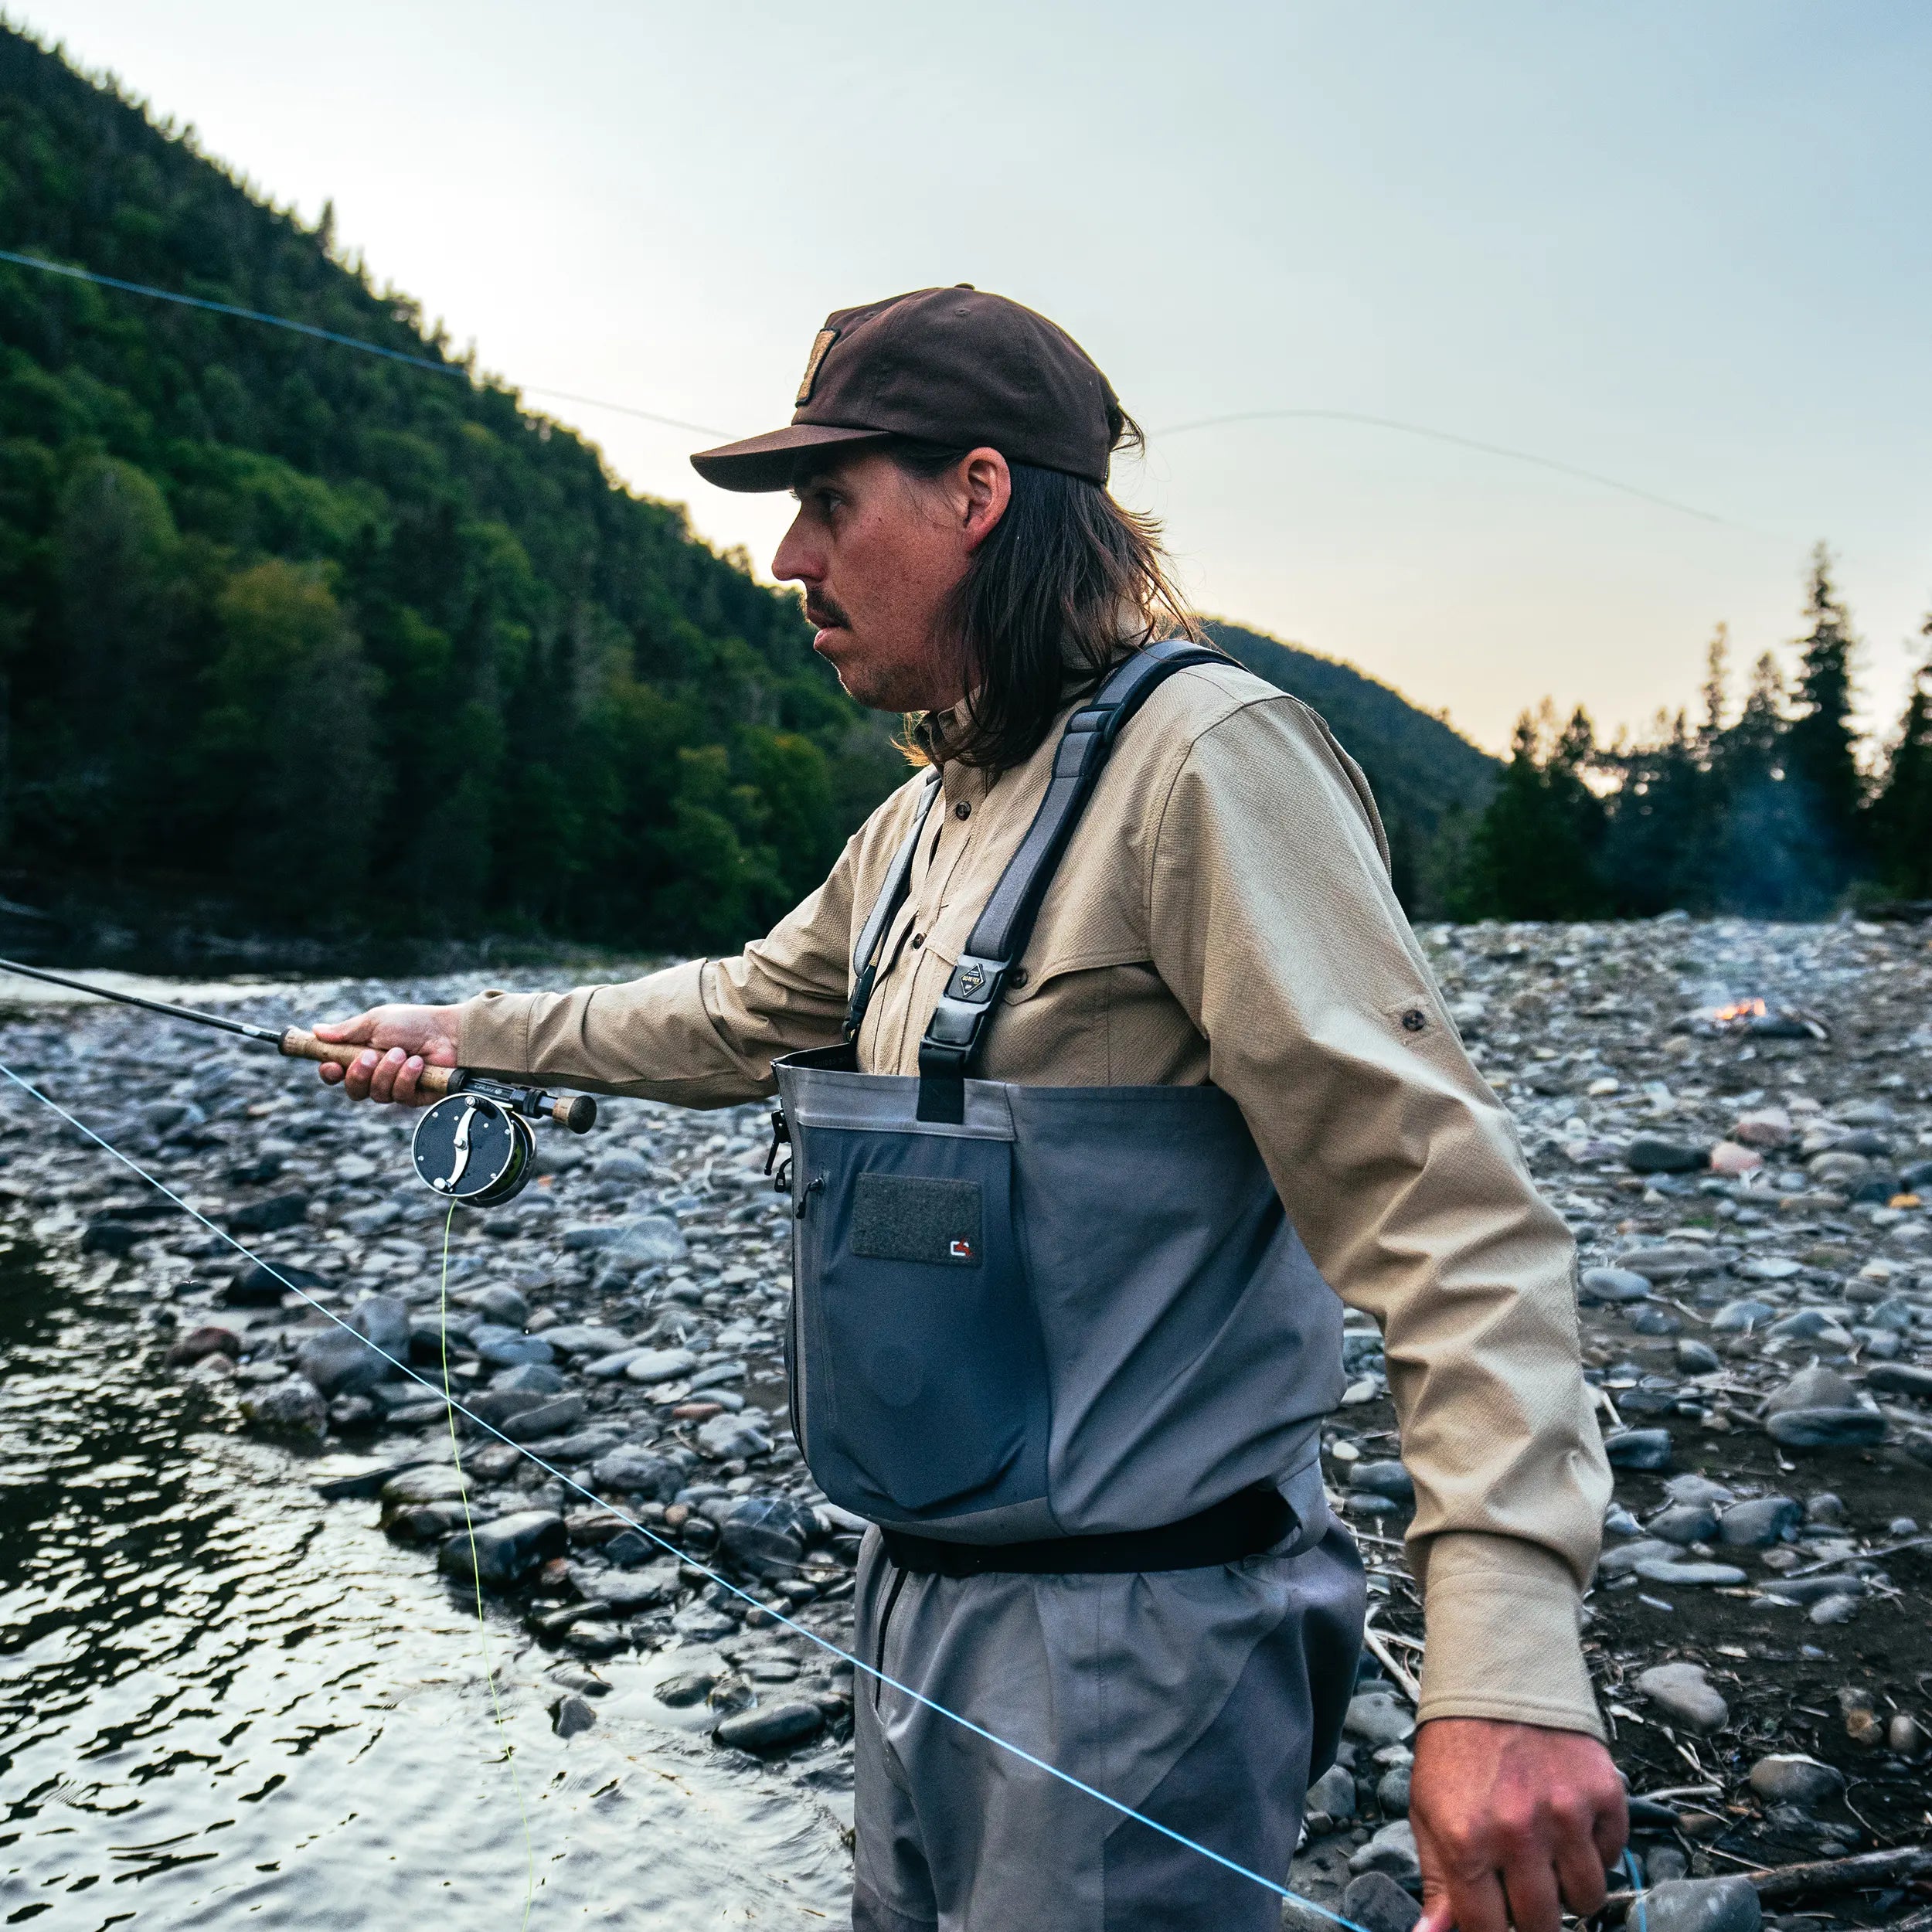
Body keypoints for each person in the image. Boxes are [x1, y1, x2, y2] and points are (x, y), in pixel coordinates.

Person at [315, 287, 1627, 1932]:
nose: (788, 557)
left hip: (1133, 1650)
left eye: (826, 503)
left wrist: (1501, 1662)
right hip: (911, 1607)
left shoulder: (1208, 761)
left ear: (978, 493)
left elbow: (1445, 1210)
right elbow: (733, 1009)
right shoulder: (922, 819)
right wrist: (467, 1032)